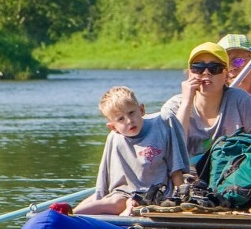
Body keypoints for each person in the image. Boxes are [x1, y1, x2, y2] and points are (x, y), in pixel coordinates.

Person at [75, 86, 191, 215]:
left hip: (157, 194)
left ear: (141, 110)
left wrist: (181, 198)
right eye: (121, 119)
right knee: (114, 202)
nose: (129, 121)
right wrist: (100, 199)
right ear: (112, 127)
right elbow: (103, 182)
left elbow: (176, 169)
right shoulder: (114, 138)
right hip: (124, 195)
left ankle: (127, 212)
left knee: (126, 204)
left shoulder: (163, 123)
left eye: (131, 113)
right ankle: (67, 214)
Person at [162, 42, 251, 159]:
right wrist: (187, 102)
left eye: (215, 68)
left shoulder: (242, 101)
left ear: (226, 75)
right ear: (189, 73)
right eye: (198, 67)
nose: (206, 72)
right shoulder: (174, 106)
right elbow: (172, 149)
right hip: (186, 173)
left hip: (231, 171)